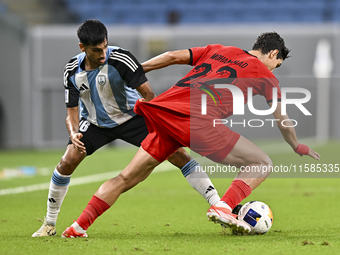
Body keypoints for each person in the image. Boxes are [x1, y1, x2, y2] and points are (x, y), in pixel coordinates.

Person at [61, 32, 320, 238]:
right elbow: (283, 121)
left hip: (164, 113)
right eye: (276, 64)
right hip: (199, 122)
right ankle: (223, 206)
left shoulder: (219, 49)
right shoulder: (266, 77)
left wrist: (137, 72)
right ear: (273, 53)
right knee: (262, 163)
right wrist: (296, 146)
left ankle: (78, 226)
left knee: (126, 177)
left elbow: (173, 56)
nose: (273, 70)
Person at [31, 19, 221, 237]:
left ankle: (217, 205)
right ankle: (49, 224)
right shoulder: (71, 70)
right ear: (82, 48)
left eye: (104, 46)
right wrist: (73, 133)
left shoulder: (122, 59)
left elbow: (149, 95)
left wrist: (157, 125)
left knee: (178, 155)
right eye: (96, 50)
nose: (102, 54)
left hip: (133, 118)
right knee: (67, 161)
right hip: (95, 124)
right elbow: (71, 111)